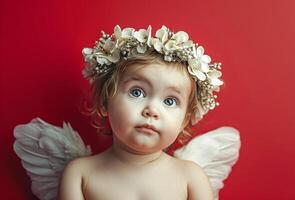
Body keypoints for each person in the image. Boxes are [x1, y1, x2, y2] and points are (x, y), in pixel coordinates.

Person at [58, 25, 226, 200]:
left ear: (185, 120)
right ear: (105, 102)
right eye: (136, 92)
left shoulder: (190, 177)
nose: (152, 110)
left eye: (170, 101)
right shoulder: (80, 174)